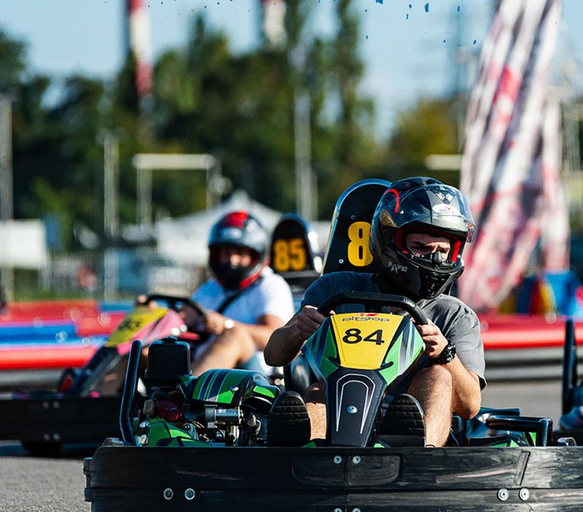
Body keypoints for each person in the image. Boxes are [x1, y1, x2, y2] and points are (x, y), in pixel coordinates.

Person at [264, 177, 485, 447]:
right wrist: (297, 330)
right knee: (318, 391)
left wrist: (445, 354)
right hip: (339, 408)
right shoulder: (335, 288)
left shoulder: (454, 315)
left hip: (409, 425)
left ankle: (416, 451)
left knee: (438, 376)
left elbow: (471, 405)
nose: (433, 260)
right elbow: (273, 355)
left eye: (442, 251)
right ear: (389, 241)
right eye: (421, 248)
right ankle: (307, 456)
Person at [187, 211, 295, 376]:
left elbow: (273, 336)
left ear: (255, 255)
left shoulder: (270, 285)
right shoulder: (210, 288)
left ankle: (186, 396)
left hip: (253, 378)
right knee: (149, 346)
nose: (232, 261)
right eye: (226, 253)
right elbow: (183, 316)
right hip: (198, 361)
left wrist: (225, 325)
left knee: (234, 335)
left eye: (240, 253)